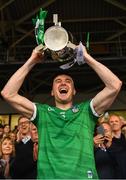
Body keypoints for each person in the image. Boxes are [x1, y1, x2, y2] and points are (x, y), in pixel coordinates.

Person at [1, 44, 122, 179]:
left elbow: (115, 85)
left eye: (68, 81)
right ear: (52, 92)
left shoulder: (86, 111)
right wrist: (31, 61)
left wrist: (86, 57)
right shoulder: (43, 113)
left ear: (74, 91)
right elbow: (8, 93)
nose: (63, 83)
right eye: (58, 81)